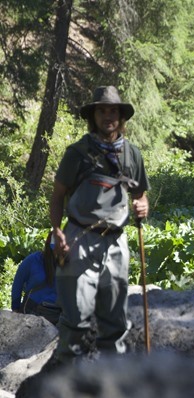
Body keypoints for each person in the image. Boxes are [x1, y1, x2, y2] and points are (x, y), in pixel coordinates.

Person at [50, 85, 150, 363]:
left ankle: (111, 381)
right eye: (103, 110)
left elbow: (140, 195)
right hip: (79, 240)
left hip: (117, 243)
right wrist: (57, 232)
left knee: (115, 322)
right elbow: (58, 195)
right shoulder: (77, 153)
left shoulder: (132, 154)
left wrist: (142, 206)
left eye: (113, 111)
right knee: (76, 322)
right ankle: (67, 384)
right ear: (93, 115)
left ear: (121, 116)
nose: (108, 116)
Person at [11, 233, 60, 324]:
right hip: (34, 311)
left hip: (54, 314)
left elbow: (17, 284)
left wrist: (15, 308)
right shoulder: (33, 260)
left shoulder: (33, 260)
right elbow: (18, 284)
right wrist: (15, 308)